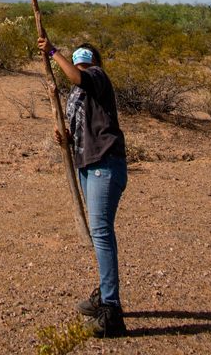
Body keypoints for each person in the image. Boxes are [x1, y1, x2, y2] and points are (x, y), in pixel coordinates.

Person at [38, 34, 128, 339]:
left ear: (93, 61)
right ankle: (104, 295)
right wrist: (64, 138)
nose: (80, 59)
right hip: (88, 164)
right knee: (99, 232)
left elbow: (78, 76)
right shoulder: (78, 93)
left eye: (84, 56)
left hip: (105, 163)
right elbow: (80, 129)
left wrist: (52, 52)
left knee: (101, 232)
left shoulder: (96, 77)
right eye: (78, 56)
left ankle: (111, 311)